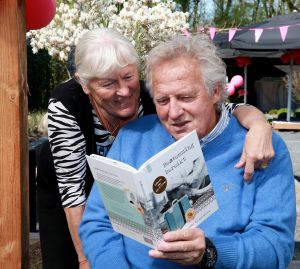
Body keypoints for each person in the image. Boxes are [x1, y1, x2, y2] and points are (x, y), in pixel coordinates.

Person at [40, 28, 274, 269]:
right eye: (109, 83)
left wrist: (258, 122)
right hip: (69, 184)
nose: (123, 91)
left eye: (128, 77)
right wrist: (86, 260)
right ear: (86, 85)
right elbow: (83, 206)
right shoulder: (68, 106)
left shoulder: (156, 93)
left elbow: (218, 106)